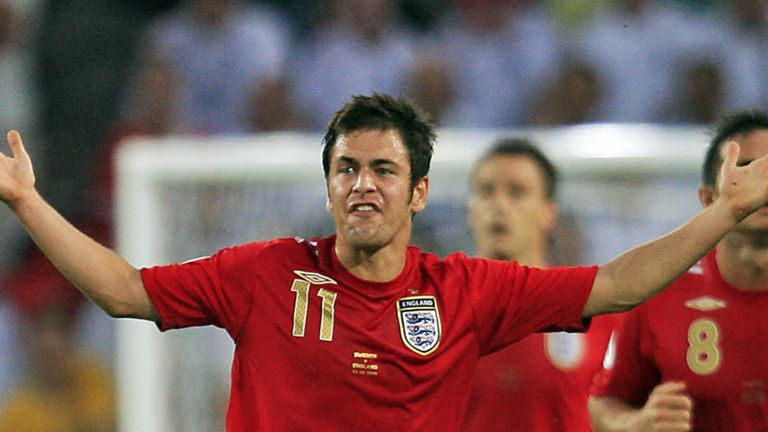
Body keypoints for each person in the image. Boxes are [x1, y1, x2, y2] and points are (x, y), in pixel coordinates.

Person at [1, 93, 767, 431]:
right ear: (329, 184)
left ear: (421, 191)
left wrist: (723, 213)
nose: (363, 184)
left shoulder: (465, 289)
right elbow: (124, 290)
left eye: (384, 170)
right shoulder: (264, 273)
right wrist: (29, 203)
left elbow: (615, 283)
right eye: (346, 168)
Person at [588, 110, 768, 431]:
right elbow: (603, 403)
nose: (763, 185)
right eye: (746, 168)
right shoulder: (659, 287)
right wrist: (637, 422)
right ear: (709, 199)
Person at [462, 138, 620, 431]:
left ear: (548, 212)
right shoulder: (435, 308)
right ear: (471, 210)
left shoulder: (595, 311)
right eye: (486, 191)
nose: (499, 204)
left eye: (516, 192)